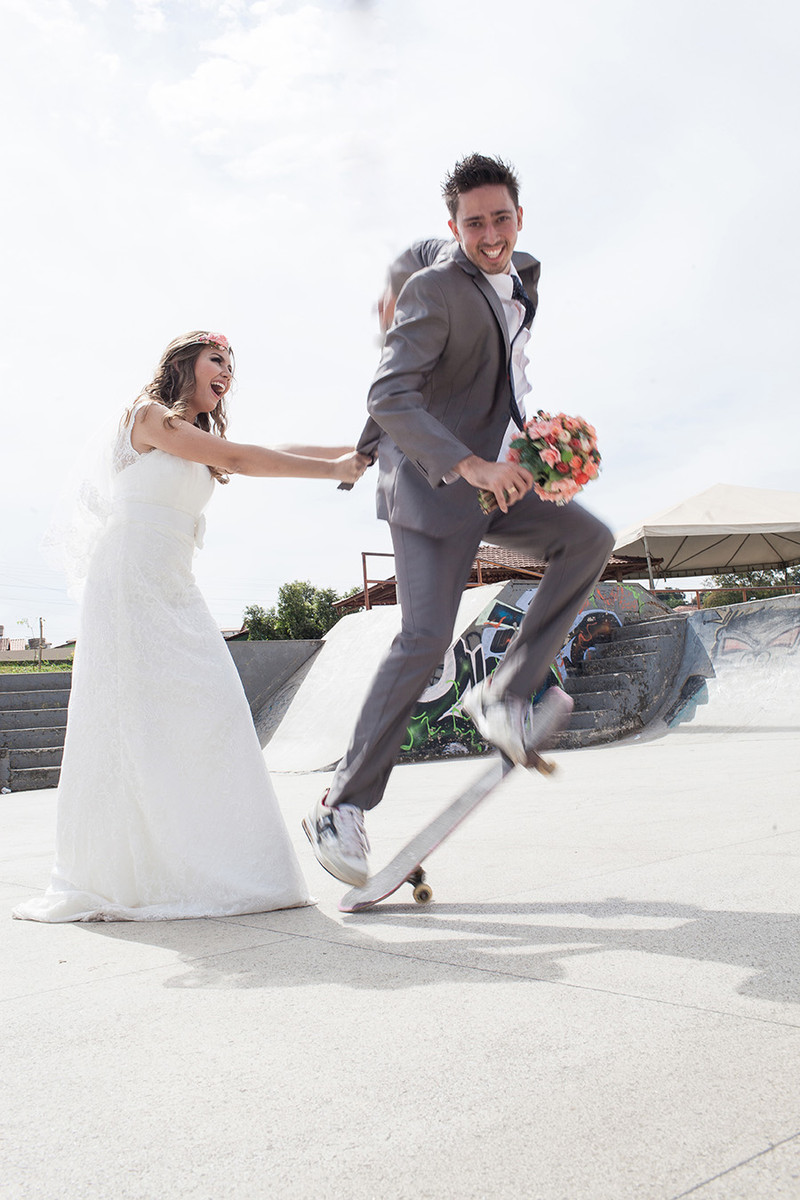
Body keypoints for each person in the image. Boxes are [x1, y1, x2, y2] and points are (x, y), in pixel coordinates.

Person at [303, 154, 615, 888]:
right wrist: (469, 464)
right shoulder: (438, 286)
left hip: (500, 481)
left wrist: (534, 446)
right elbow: (389, 394)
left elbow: (502, 380)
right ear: (453, 228)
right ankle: (340, 803)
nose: (490, 234)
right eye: (474, 223)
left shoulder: (522, 284)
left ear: (519, 216)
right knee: (424, 639)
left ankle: (505, 693)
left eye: (500, 218)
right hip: (432, 487)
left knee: (588, 538)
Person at [13, 331, 368, 922]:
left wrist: (359, 448)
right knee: (137, 722)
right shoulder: (149, 417)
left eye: (230, 363)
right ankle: (140, 872)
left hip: (175, 584)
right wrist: (330, 469)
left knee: (214, 707)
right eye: (216, 359)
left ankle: (208, 862)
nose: (226, 370)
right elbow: (239, 460)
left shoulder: (201, 438)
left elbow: (264, 447)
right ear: (185, 365)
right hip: (129, 581)